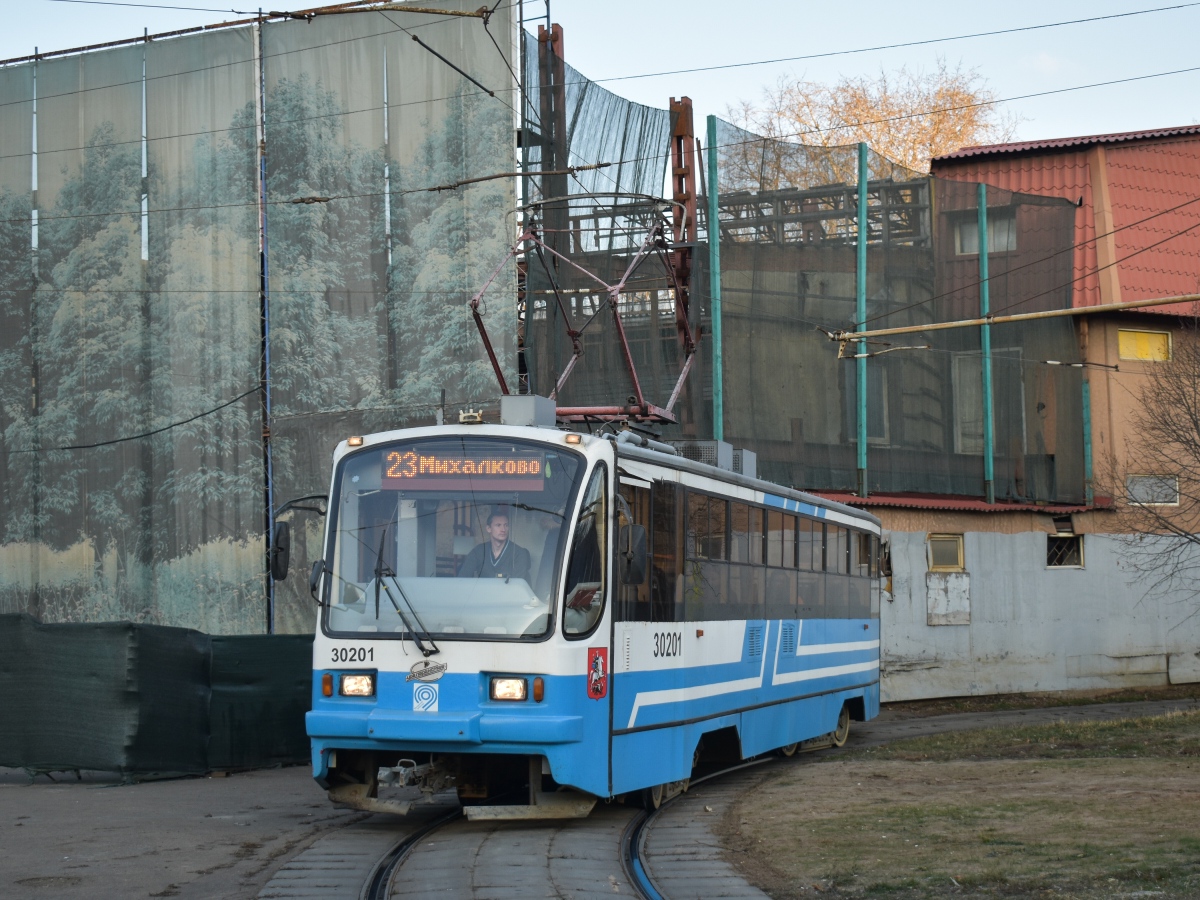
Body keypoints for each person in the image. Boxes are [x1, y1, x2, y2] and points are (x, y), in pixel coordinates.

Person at [458, 507, 532, 582]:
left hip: (507, 593)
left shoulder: (519, 553)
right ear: (488, 528)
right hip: (483, 593)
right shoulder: (478, 551)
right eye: (498, 525)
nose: (503, 529)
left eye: (506, 525)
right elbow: (462, 579)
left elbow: (517, 587)